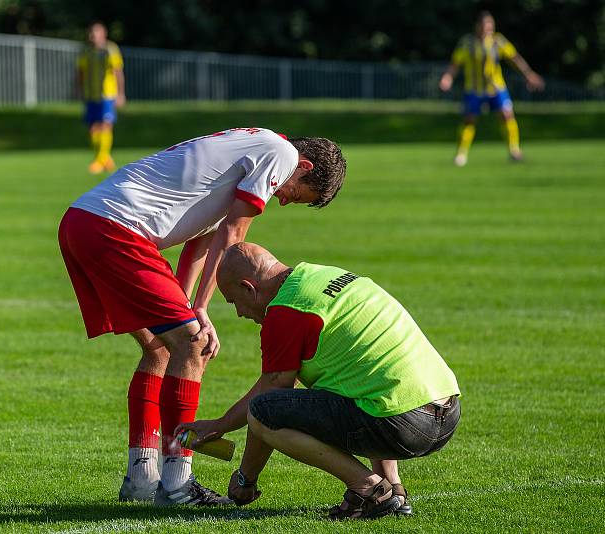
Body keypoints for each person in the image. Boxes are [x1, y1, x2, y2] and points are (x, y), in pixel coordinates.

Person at [58, 129, 346, 506]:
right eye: (295, 193)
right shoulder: (280, 153)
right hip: (115, 230)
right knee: (193, 345)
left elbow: (201, 242)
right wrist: (200, 311)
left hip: (86, 222)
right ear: (302, 165)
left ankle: (142, 478)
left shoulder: (246, 155)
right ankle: (177, 483)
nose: (284, 201)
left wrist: (186, 302)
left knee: (164, 349)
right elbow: (234, 235)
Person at [177, 242, 461, 519]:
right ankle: (394, 490)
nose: (239, 312)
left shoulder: (286, 310)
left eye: (234, 301)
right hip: (445, 410)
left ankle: (370, 489)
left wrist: (244, 476)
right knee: (362, 383)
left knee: (263, 412)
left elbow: (268, 401)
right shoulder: (323, 275)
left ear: (248, 288)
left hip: (403, 423)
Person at [439, 11, 545, 166]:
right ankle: (461, 154)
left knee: (507, 115)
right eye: (484, 25)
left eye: (489, 25)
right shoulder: (467, 43)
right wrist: (447, 77)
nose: (487, 28)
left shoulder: (498, 41)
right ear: (477, 26)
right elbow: (455, 63)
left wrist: (528, 74)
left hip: (496, 87)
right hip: (474, 89)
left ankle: (514, 150)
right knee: (469, 120)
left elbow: (514, 58)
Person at [76, 22, 126, 175]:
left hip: (107, 94)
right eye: (90, 33)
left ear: (103, 34)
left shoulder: (110, 50)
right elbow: (81, 72)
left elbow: (118, 71)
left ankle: (99, 159)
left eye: (95, 33)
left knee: (105, 125)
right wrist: (78, 89)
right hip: (91, 94)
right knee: (93, 127)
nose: (92, 36)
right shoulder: (86, 51)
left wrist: (120, 93)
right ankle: (105, 158)